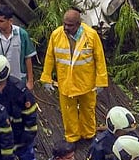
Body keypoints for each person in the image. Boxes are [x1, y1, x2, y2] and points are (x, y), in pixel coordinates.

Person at [40, 8, 108, 143]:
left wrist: (101, 81)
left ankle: (88, 135)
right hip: (66, 83)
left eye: (70, 25)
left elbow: (100, 59)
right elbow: (50, 58)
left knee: (88, 110)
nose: (66, 27)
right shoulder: (56, 35)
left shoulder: (91, 35)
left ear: (79, 24)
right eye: (64, 24)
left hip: (86, 83)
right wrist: (46, 78)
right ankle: (72, 137)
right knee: (68, 112)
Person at [0, 5, 37, 90]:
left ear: (10, 21)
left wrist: (30, 81)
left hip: (18, 79)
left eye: (1, 21)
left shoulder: (21, 34)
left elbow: (28, 58)